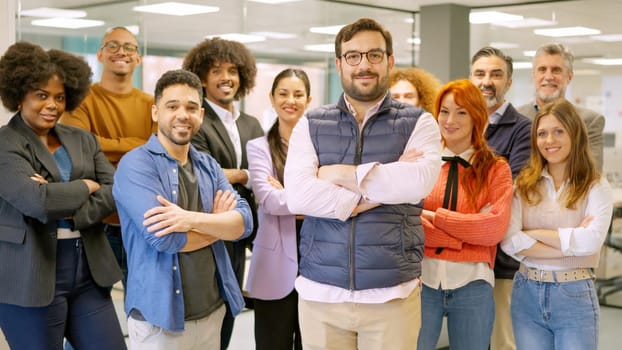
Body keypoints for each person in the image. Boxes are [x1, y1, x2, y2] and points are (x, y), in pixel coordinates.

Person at [284, 18, 442, 349]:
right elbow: (298, 195)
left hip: (392, 294)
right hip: (320, 293)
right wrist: (362, 199)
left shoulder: (419, 122)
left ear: (390, 61)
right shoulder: (311, 123)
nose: (364, 65)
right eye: (353, 56)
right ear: (340, 64)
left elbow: (417, 184)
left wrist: (336, 173)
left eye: (373, 55)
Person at [113, 69, 253, 350]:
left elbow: (244, 223)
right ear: (155, 113)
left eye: (191, 107)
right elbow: (164, 238)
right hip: (159, 318)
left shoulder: (208, 165)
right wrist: (217, 224)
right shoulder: (136, 165)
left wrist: (190, 220)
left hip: (213, 308)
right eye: (172, 106)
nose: (182, 115)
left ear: (200, 114)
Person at [0, 42, 126, 349]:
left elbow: (114, 190)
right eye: (41, 95)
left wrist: (69, 209)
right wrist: (85, 186)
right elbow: (37, 202)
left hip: (88, 272)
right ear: (19, 95)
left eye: (59, 97)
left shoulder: (83, 139)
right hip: (29, 276)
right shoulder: (6, 143)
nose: (52, 105)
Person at [501, 98, 612, 350]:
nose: (549, 141)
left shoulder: (594, 185)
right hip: (526, 292)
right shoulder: (523, 184)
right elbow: (508, 240)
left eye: (558, 131)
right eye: (542, 134)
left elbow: (592, 241)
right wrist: (573, 246)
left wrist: (535, 233)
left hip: (573, 294)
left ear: (575, 134)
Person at [416, 79, 513, 350]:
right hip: (423, 280)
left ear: (476, 117)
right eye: (444, 111)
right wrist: (466, 234)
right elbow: (410, 221)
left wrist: (436, 217)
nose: (450, 120)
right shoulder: (423, 163)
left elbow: (493, 229)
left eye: (461, 112)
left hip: (473, 283)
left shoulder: (496, 169)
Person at [182, 37, 264, 349]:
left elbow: (267, 171)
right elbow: (202, 171)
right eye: (216, 70)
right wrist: (247, 174)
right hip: (210, 225)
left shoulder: (250, 123)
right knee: (210, 308)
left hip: (243, 229)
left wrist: (246, 177)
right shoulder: (196, 120)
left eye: (232, 70)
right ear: (202, 78)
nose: (225, 77)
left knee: (232, 303)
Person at [60, 26, 156, 289]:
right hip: (98, 222)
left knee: (144, 305)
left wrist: (101, 144)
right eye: (112, 46)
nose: (121, 52)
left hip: (144, 220)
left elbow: (159, 150)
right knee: (93, 304)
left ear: (138, 58)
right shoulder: (81, 101)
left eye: (129, 47)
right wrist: (139, 144)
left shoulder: (152, 104)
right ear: (100, 55)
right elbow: (78, 147)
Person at [469, 46, 532, 350]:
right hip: (460, 258)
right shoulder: (460, 125)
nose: (486, 81)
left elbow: (511, 190)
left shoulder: (523, 130)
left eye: (496, 74)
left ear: (508, 82)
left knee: (500, 341)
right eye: (480, 74)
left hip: (500, 261)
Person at [245, 68, 312, 350]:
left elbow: (334, 197)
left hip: (316, 263)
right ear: (272, 99)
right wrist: (311, 199)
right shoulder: (258, 147)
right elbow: (269, 200)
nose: (290, 100)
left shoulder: (320, 147)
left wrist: (287, 194)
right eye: (283, 94)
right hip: (273, 267)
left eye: (298, 94)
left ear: (309, 100)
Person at [517, 42, 604, 171]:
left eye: (556, 70)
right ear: (534, 76)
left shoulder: (589, 121)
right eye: (542, 70)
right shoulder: (516, 117)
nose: (548, 77)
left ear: (569, 77)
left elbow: (591, 171)